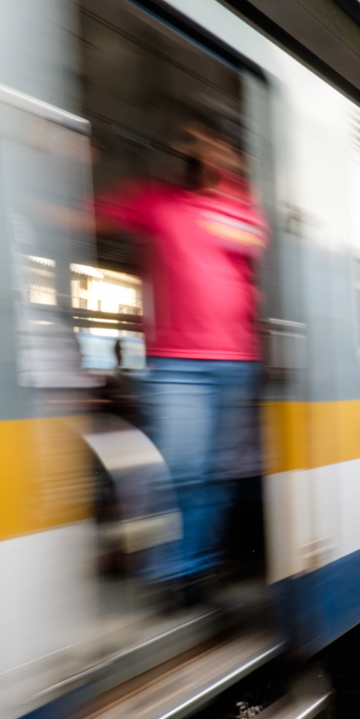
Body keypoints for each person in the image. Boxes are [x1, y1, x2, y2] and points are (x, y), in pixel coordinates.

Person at [96, 102, 266, 605]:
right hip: (176, 364)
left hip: (237, 362)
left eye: (212, 141)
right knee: (179, 469)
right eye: (192, 141)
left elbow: (256, 252)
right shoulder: (155, 201)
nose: (202, 150)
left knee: (216, 474)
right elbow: (93, 217)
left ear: (230, 151)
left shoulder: (245, 205)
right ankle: (166, 569)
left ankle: (195, 568)